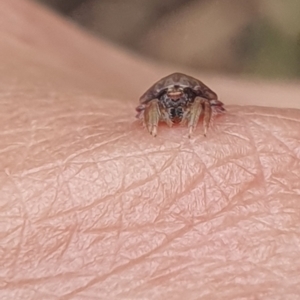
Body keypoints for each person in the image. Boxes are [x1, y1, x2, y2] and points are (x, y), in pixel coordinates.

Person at [1, 0, 300, 299]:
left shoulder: (197, 98)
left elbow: (210, 103)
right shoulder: (158, 101)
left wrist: (207, 122)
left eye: (180, 94)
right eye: (172, 94)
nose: (175, 97)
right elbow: (146, 106)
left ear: (188, 94)